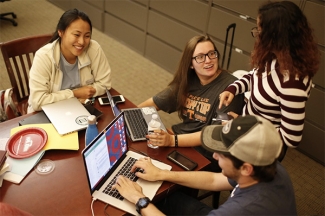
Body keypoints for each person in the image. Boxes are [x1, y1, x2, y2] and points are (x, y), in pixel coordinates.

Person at [112, 115, 297, 215]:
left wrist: (139, 199)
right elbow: (214, 180)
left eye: (222, 154)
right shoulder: (269, 166)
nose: (215, 155)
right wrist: (161, 174)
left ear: (246, 168)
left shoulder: (241, 209)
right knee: (167, 200)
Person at [218, 1, 320, 161]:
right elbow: (253, 76)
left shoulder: (293, 83)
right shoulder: (273, 57)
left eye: (260, 31)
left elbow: (291, 138)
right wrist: (233, 89)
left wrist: (246, 129)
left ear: (276, 36)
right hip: (248, 129)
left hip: (261, 148)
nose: (256, 35)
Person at [139, 35, 244, 163]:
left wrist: (172, 140)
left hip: (203, 154)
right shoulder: (189, 80)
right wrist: (128, 114)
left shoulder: (230, 88)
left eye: (212, 53)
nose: (208, 60)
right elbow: (152, 103)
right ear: (190, 64)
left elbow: (215, 134)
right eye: (200, 57)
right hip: (177, 139)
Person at [27, 8, 111, 113]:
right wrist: (75, 94)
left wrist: (85, 94)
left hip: (81, 106)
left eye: (87, 36)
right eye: (76, 35)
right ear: (61, 32)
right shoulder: (44, 56)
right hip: (48, 112)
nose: (81, 42)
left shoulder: (94, 49)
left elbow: (104, 84)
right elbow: (38, 101)